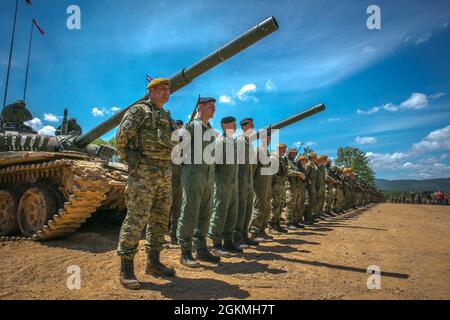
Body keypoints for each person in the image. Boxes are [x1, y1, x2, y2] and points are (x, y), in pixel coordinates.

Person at [116, 78, 177, 290]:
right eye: (162, 89)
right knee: (137, 218)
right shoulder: (138, 111)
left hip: (164, 172)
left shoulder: (166, 115)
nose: (166, 93)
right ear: (150, 91)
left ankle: (154, 262)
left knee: (160, 218)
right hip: (143, 173)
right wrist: (132, 162)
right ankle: (126, 267)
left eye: (168, 90)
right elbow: (121, 139)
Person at [177, 97, 219, 268]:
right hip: (193, 172)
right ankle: (185, 251)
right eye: (211, 107)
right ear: (200, 107)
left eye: (214, 107)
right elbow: (179, 146)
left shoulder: (209, 129)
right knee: (190, 210)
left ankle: (201, 249)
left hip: (208, 176)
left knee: (205, 213)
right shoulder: (192, 125)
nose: (214, 110)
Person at [208, 116, 242, 256]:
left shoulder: (232, 142)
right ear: (223, 126)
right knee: (220, 212)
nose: (233, 127)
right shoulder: (220, 142)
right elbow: (213, 165)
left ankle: (228, 242)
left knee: (231, 214)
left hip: (233, 183)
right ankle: (216, 244)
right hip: (222, 182)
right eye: (230, 125)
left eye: (234, 125)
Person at [234, 118, 259, 248]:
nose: (253, 128)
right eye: (251, 125)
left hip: (248, 181)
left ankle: (244, 235)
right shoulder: (239, 140)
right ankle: (236, 237)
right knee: (240, 209)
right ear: (243, 127)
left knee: (248, 209)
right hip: (240, 180)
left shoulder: (250, 143)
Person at [249, 130, 275, 241]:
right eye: (266, 138)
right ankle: (254, 232)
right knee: (258, 207)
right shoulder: (258, 151)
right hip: (259, 185)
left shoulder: (267, 152)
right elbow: (252, 168)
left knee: (267, 208)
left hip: (267, 185)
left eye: (269, 138)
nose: (268, 140)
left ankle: (262, 230)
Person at [168, 120, 184, 245]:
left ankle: (174, 235)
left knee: (177, 208)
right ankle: (158, 237)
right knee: (163, 208)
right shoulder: (169, 141)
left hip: (180, 179)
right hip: (168, 178)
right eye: (177, 127)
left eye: (181, 127)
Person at [269, 144, 289, 234]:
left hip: (281, 185)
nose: (284, 151)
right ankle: (271, 226)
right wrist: (279, 179)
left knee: (280, 205)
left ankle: (277, 224)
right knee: (275, 205)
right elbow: (272, 173)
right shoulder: (273, 158)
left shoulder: (281, 159)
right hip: (275, 185)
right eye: (283, 149)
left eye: (285, 149)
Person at [285, 149, 306, 230]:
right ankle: (289, 222)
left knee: (296, 205)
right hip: (290, 186)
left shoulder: (295, 163)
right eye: (292, 153)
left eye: (295, 153)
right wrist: (297, 173)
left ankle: (295, 221)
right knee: (290, 205)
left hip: (297, 187)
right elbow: (288, 172)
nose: (294, 155)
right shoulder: (286, 162)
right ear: (289, 153)